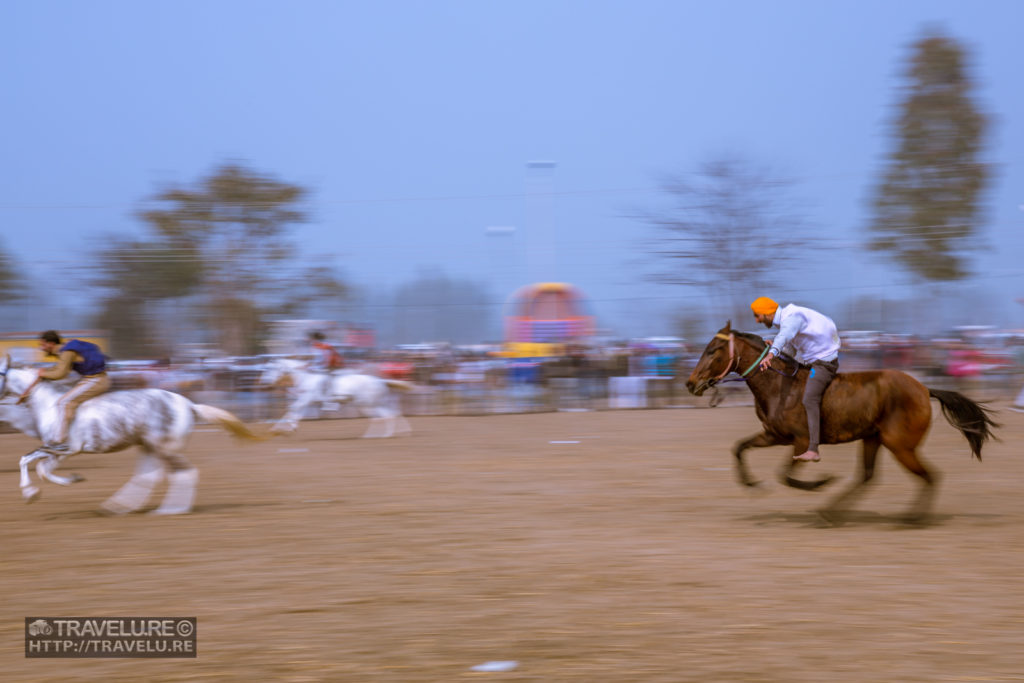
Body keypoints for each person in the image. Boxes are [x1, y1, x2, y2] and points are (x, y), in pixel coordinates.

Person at [751, 297, 841, 463]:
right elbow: (790, 349)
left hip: (823, 363)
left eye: (758, 316)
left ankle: (813, 448)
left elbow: (784, 336)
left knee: (809, 399)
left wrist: (771, 354)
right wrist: (775, 349)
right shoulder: (788, 319)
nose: (757, 321)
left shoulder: (791, 318)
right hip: (813, 359)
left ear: (768, 313)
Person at [17, 330, 111, 453]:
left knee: (64, 403)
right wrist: (42, 372)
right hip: (93, 379)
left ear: (51, 343)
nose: (41, 348)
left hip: (96, 380)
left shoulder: (67, 352)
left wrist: (43, 373)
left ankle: (59, 442)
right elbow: (58, 368)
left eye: (43, 345)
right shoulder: (65, 350)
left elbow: (60, 373)